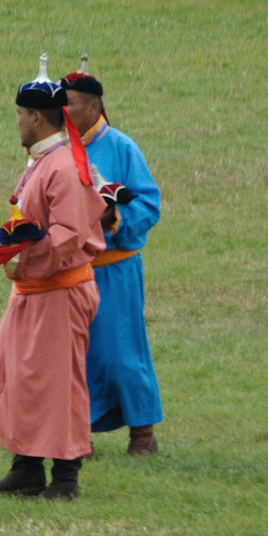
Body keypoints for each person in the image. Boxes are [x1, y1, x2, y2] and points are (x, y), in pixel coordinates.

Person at [0, 66, 107, 502]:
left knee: (59, 385)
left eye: (20, 115)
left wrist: (22, 254)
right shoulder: (47, 161)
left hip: (59, 291)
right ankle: (26, 468)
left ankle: (66, 479)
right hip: (36, 291)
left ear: (36, 119)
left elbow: (68, 235)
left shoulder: (61, 167)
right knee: (22, 380)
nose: (18, 123)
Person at [60, 69, 165, 456]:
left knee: (121, 353)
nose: (62, 111)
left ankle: (142, 434)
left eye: (68, 104)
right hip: (69, 269)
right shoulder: (56, 148)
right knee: (72, 354)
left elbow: (148, 203)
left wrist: (113, 218)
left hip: (115, 268)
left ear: (94, 106)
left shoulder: (122, 147)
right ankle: (76, 436)